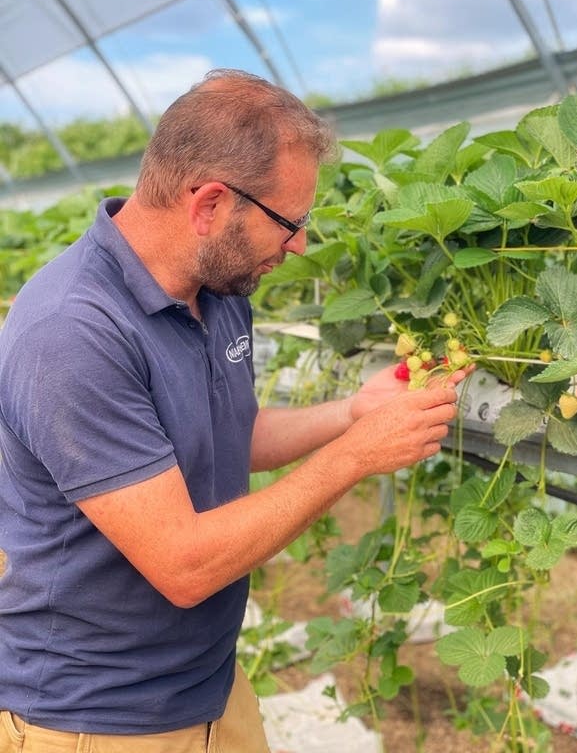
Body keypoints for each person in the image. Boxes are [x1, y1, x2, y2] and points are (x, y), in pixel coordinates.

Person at [0, 69, 468, 753]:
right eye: (291, 222)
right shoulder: (72, 332)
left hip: (210, 685)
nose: (301, 244)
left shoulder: (217, 287)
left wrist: (353, 414)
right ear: (210, 204)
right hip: (94, 718)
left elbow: (228, 431)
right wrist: (355, 458)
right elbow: (183, 564)